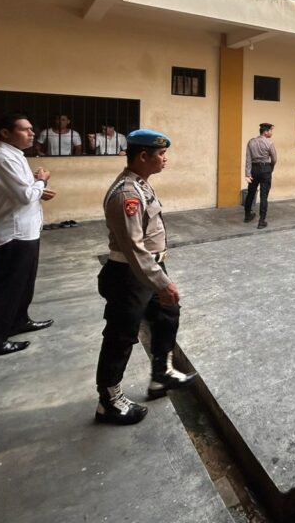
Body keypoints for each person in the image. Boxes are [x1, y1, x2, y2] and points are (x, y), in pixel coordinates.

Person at [95, 129, 196, 425]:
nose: (165, 159)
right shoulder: (127, 193)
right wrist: (162, 282)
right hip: (129, 274)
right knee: (121, 335)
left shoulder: (141, 184)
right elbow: (133, 247)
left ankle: (161, 375)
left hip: (147, 269)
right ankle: (109, 400)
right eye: (161, 154)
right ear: (143, 156)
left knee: (168, 314)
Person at [0, 113, 56, 357]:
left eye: (31, 129)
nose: (32, 133)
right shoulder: (1, 159)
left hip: (26, 230)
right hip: (13, 232)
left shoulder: (15, 155)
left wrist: (38, 188)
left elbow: (23, 190)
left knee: (24, 283)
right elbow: (25, 195)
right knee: (6, 288)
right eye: (25, 129)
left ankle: (18, 320)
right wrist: (41, 182)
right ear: (5, 133)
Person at [244, 122, 277, 229]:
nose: (271, 133)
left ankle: (247, 215)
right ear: (265, 132)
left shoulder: (251, 142)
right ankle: (261, 221)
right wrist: (270, 168)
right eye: (270, 131)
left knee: (251, 192)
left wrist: (247, 174)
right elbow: (274, 159)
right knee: (264, 195)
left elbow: (248, 159)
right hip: (265, 169)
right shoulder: (269, 143)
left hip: (254, 169)